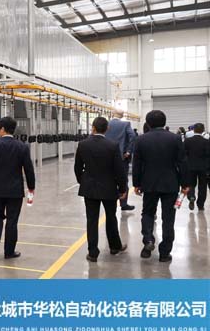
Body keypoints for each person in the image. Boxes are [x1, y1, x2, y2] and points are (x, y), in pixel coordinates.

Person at [132, 110, 189, 262]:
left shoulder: (141, 139)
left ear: (148, 123)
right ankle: (164, 253)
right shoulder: (175, 138)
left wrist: (136, 183)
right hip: (171, 183)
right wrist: (185, 184)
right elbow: (182, 162)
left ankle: (148, 240)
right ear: (164, 122)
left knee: (148, 213)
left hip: (149, 183)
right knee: (168, 218)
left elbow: (137, 163)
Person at [74, 117, 128, 262]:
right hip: (109, 188)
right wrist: (122, 188)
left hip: (89, 188)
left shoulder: (83, 144)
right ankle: (115, 246)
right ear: (107, 129)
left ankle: (92, 252)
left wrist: (82, 181)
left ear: (93, 127)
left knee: (91, 220)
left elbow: (77, 167)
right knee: (111, 217)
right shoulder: (113, 146)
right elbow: (119, 170)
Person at [0, 116, 35, 260]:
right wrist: (31, 187)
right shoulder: (22, 147)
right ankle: (9, 252)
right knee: (12, 220)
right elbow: (29, 169)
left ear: (3, 129)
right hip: (15, 190)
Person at [105, 109, 136, 211]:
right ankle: (123, 203)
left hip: (107, 156)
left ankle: (110, 204)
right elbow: (133, 136)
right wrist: (128, 151)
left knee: (109, 179)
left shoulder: (106, 124)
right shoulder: (126, 124)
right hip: (122, 157)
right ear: (122, 116)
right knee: (123, 179)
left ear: (113, 114)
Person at [184, 123, 209, 211]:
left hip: (190, 166)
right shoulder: (207, 142)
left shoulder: (187, 141)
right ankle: (200, 204)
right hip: (203, 167)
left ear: (193, 130)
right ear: (203, 130)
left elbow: (184, 154)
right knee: (202, 186)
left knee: (190, 184)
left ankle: (191, 196)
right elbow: (208, 156)